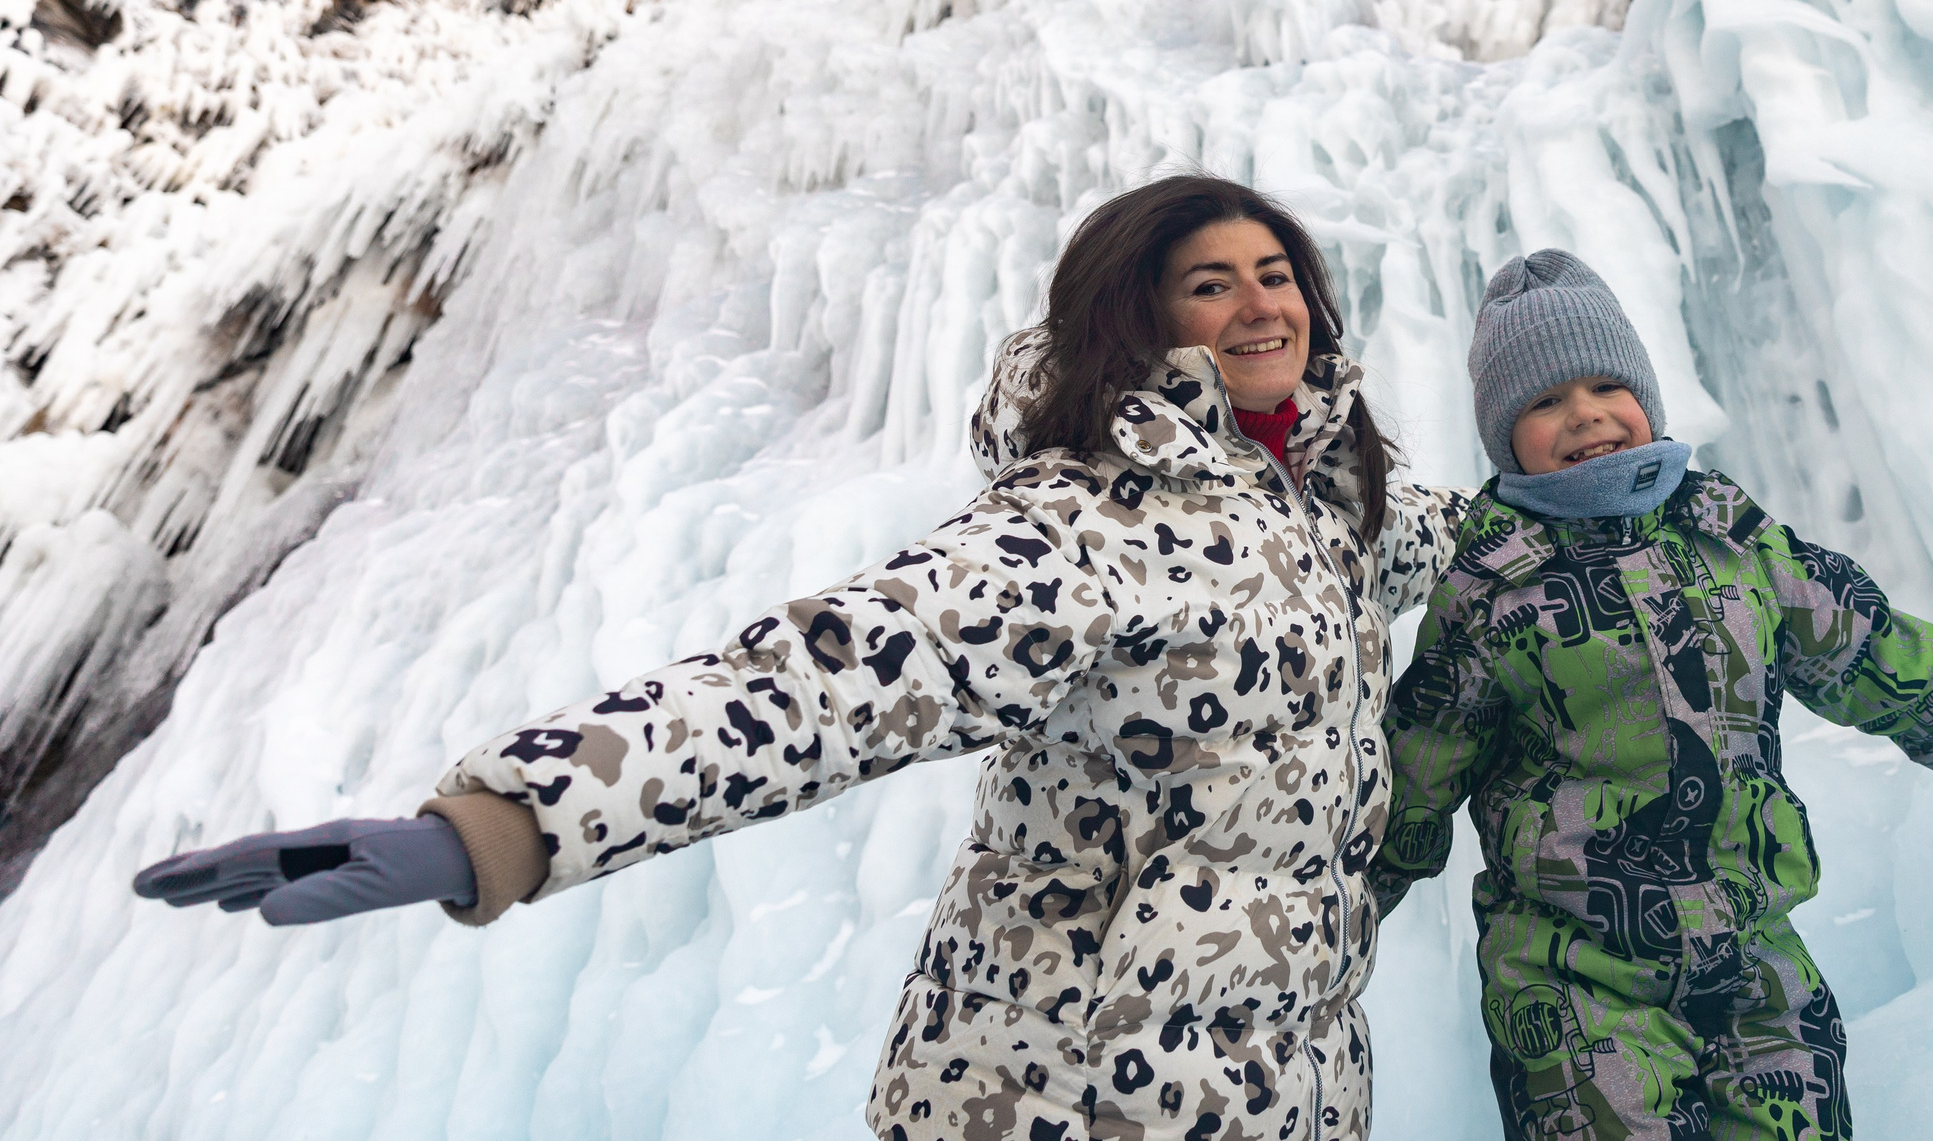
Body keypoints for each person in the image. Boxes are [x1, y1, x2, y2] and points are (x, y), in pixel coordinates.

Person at [136, 175, 1472, 1141]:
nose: (1258, 301)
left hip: (1284, 1092)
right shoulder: (1089, 519)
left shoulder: (1335, 494)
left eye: (1276, 271)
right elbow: (828, 681)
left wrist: (1596, 469)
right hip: (1065, 1091)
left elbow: (1472, 546)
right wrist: (501, 825)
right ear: (1141, 316)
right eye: (1211, 280)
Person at [1369, 250, 1933, 1141]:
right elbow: (1418, 765)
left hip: (1754, 953)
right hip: (1574, 977)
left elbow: (1881, 658)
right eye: (1545, 402)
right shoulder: (1488, 587)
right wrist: (1347, 905)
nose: (1584, 415)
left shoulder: (1737, 539)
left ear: (1647, 398)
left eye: (1603, 386)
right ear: (1503, 432)